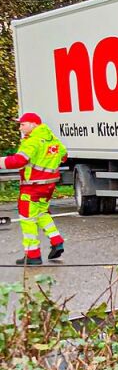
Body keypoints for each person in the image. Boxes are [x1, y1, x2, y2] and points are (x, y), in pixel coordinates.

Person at [0, 112, 67, 265]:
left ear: (33, 124)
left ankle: (33, 255)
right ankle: (57, 241)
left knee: (27, 219)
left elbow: (18, 161)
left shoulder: (32, 141)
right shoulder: (52, 139)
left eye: (22, 124)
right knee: (42, 212)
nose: (20, 128)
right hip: (48, 186)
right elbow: (63, 155)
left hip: (32, 186)